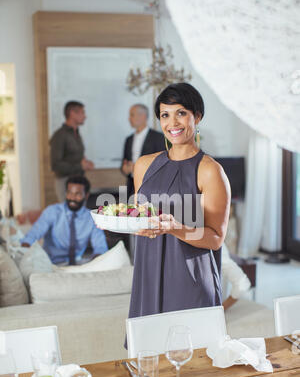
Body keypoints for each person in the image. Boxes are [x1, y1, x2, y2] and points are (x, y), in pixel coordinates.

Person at [127, 83, 231, 327]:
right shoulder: (143, 165)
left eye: (181, 113)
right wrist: (121, 222)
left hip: (190, 278)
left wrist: (176, 227)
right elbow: (140, 217)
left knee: (192, 359)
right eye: (165, 115)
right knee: (149, 356)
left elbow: (216, 238)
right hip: (148, 273)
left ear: (197, 116)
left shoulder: (210, 171)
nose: (172, 123)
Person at [20, 176, 108, 265]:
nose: (72, 198)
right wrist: (24, 247)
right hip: (51, 264)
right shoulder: (52, 211)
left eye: (78, 194)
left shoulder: (92, 217)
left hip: (78, 263)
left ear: (86, 195)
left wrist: (98, 260)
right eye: (70, 193)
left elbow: (100, 246)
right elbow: (34, 233)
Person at [50, 101, 95, 202]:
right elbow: (55, 165)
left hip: (79, 181)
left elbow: (75, 157)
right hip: (65, 184)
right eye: (82, 113)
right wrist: (80, 166)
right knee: (68, 215)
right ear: (72, 113)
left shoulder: (76, 134)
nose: (85, 116)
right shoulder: (59, 135)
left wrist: (86, 163)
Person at [121, 104, 165, 200]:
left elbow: (163, 164)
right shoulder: (129, 139)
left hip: (152, 188)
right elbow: (124, 164)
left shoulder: (158, 138)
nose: (129, 118)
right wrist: (125, 168)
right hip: (131, 187)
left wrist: (138, 168)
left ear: (143, 116)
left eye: (132, 115)